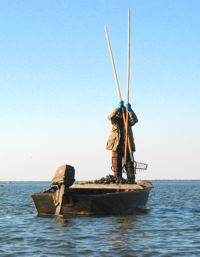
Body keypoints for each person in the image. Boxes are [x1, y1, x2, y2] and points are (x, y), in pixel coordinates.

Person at [106, 101, 138, 181]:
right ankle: (118, 180)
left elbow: (134, 120)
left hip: (127, 146)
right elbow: (110, 117)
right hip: (116, 146)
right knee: (116, 166)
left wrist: (131, 111)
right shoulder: (115, 121)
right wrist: (117, 108)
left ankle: (131, 181)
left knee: (129, 165)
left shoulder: (128, 121)